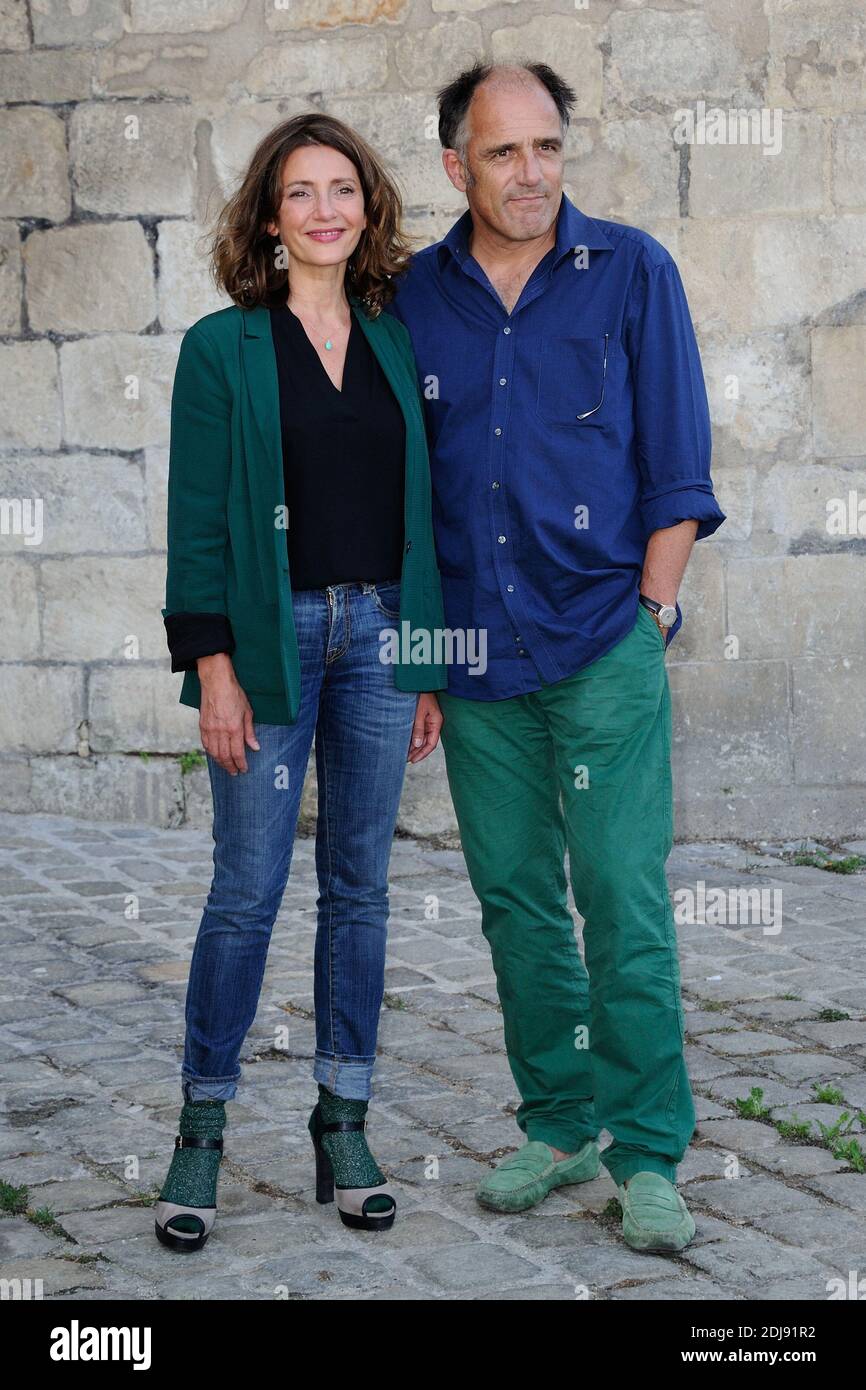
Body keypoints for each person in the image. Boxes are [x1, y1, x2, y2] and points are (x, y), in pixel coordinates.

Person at [387, 61, 726, 1253]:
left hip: (600, 645)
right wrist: (421, 658)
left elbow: (678, 467)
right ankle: (558, 1119)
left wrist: (654, 612)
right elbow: (403, 497)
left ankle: (645, 1151)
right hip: (472, 658)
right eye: (500, 153)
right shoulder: (410, 298)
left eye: (545, 147)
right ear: (453, 166)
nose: (529, 173)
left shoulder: (630, 271)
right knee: (517, 905)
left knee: (623, 901)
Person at [154, 113, 447, 1250]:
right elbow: (196, 525)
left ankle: (343, 1118)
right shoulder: (220, 347)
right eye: (299, 194)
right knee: (246, 890)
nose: (324, 210)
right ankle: (201, 1127)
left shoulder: (393, 337)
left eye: (342, 190)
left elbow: (420, 511)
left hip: (380, 633)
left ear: (366, 207)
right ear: (268, 220)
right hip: (269, 643)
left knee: (361, 886)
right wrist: (211, 666)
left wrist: (422, 660)